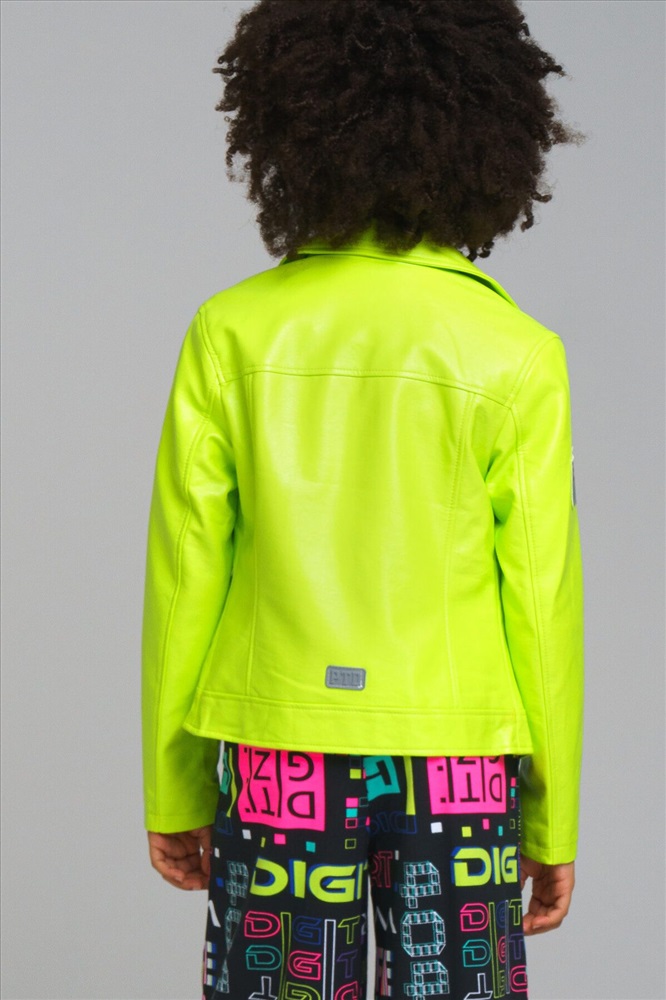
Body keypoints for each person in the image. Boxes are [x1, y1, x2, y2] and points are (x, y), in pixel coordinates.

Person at [141, 2, 585, 997]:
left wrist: (173, 788)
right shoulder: (517, 352)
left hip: (280, 756)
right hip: (456, 760)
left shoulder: (232, 332)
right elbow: (543, 599)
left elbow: (184, 576)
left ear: (287, 130)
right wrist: (551, 820)